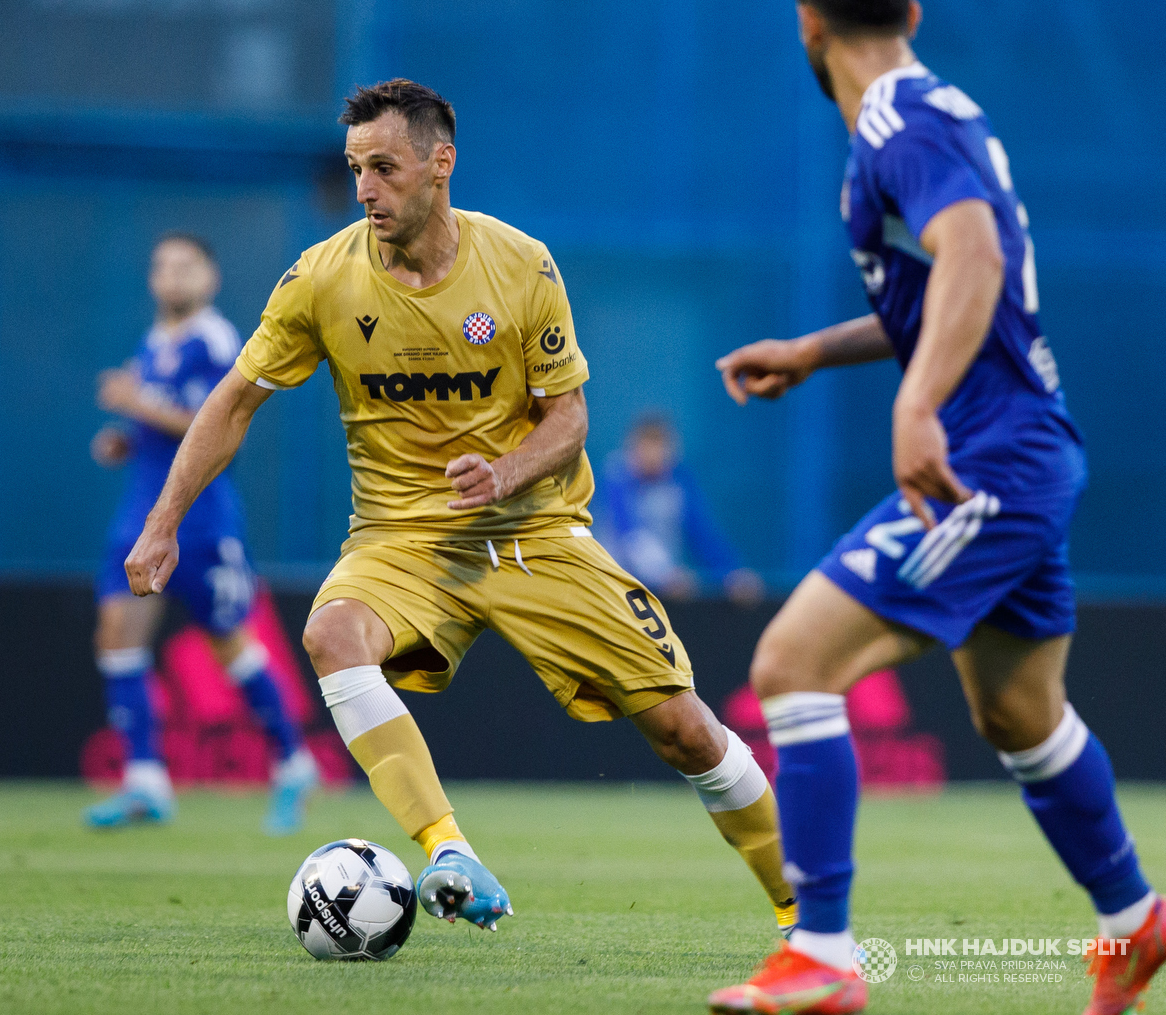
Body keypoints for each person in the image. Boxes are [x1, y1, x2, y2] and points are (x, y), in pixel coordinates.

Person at [124, 79, 798, 938]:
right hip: (401, 539)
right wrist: (162, 520)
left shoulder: (521, 263)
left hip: (535, 531)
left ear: (441, 164)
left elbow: (572, 415)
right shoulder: (321, 280)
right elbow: (231, 401)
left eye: (384, 168)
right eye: (354, 169)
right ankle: (449, 848)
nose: (366, 188)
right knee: (332, 634)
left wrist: (508, 471)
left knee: (685, 731)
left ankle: (803, 912)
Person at [707, 0, 1161, 1012]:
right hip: (1023, 449)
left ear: (805, 25)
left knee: (791, 662)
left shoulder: (895, 127)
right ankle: (1137, 923)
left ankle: (820, 953)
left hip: (989, 458)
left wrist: (915, 406)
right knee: (1018, 713)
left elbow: (974, 262)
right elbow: (942, 287)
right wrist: (816, 350)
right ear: (908, 11)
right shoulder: (926, 111)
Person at [85, 232, 319, 835]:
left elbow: (210, 421)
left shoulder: (215, 339)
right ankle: (144, 781)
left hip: (202, 518)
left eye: (186, 266)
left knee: (227, 640)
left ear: (210, 279)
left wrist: (136, 404)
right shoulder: (154, 343)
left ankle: (293, 762)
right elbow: (163, 428)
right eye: (162, 265)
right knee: (117, 634)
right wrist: (127, 440)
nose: (172, 275)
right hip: (139, 512)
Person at [596, 413, 765, 603]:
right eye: (647, 447)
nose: (654, 455)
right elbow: (630, 536)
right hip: (615, 589)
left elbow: (701, 533)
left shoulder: (681, 478)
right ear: (634, 448)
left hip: (665, 592)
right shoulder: (616, 476)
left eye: (660, 446)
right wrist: (664, 574)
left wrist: (732, 575)